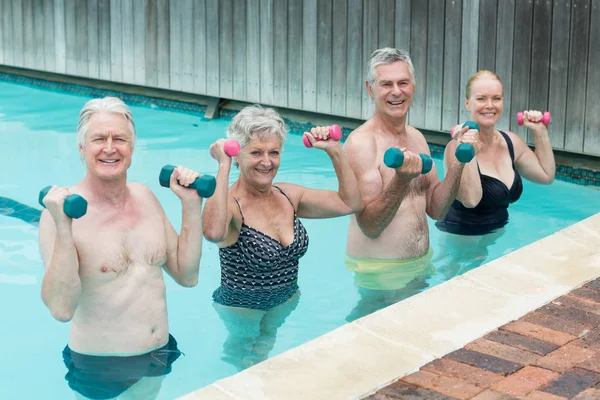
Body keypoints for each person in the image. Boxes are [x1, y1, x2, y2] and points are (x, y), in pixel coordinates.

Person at [38, 97, 206, 400]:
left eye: (120, 139)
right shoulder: (61, 214)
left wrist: (191, 205)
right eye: (99, 139)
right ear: (82, 148)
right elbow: (61, 309)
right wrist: (64, 228)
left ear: (132, 146)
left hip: (160, 354)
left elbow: (187, 275)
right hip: (102, 368)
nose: (110, 148)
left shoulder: (145, 197)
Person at [202, 105, 362, 370]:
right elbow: (213, 232)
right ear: (238, 156)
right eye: (255, 152)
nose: (267, 162)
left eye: (273, 152)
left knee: (264, 360)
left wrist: (335, 150)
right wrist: (222, 165)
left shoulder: (288, 195)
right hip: (242, 310)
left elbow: (350, 203)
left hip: (285, 301)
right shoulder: (230, 204)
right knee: (239, 368)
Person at [343, 48, 478, 322]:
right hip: (380, 274)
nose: (396, 91)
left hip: (419, 265)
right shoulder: (361, 145)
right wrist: (402, 180)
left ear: (413, 86)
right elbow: (369, 225)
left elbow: (437, 209)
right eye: (386, 84)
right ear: (370, 89)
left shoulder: (417, 139)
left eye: (403, 83)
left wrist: (460, 161)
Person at [434, 70, 555, 274]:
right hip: (460, 242)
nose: (490, 105)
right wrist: (470, 149)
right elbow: (471, 199)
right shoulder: (457, 148)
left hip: (496, 236)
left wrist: (539, 130)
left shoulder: (510, 142)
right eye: (481, 98)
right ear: (467, 103)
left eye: (496, 98)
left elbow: (546, 175)